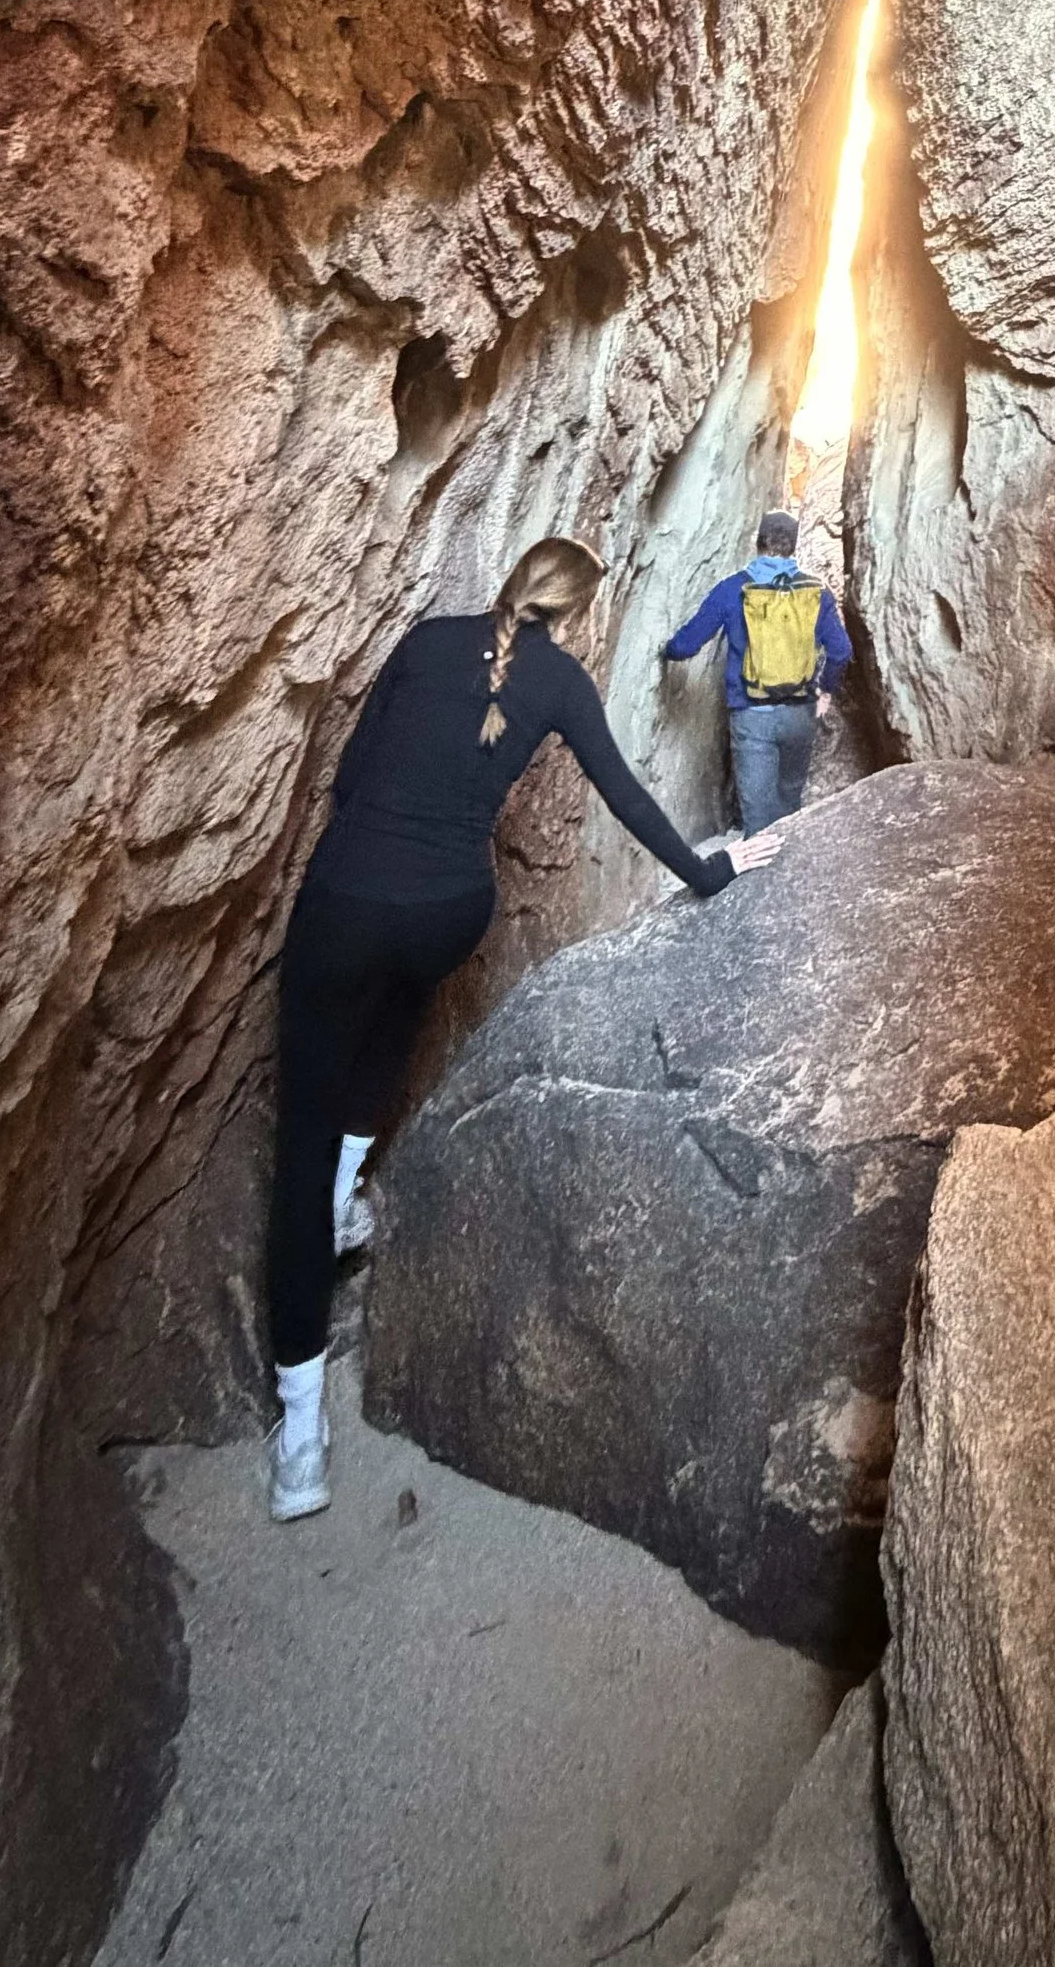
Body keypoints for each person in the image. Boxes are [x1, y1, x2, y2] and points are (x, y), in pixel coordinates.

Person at [264, 536, 736, 1524]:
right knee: (400, 1004)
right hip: (449, 912)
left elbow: (348, 778)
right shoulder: (559, 683)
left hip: (349, 899)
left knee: (297, 1149)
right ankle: (345, 1198)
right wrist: (709, 875)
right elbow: (624, 793)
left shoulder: (425, 639)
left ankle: (300, 1439)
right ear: (579, 613)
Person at [664, 508, 851, 838]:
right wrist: (825, 690)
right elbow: (841, 650)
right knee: (789, 805)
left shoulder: (733, 589)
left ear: (758, 542)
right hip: (799, 716)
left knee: (758, 818)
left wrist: (666, 650)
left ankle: (761, 864)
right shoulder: (815, 594)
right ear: (793, 546)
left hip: (752, 715)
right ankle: (789, 864)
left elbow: (687, 644)